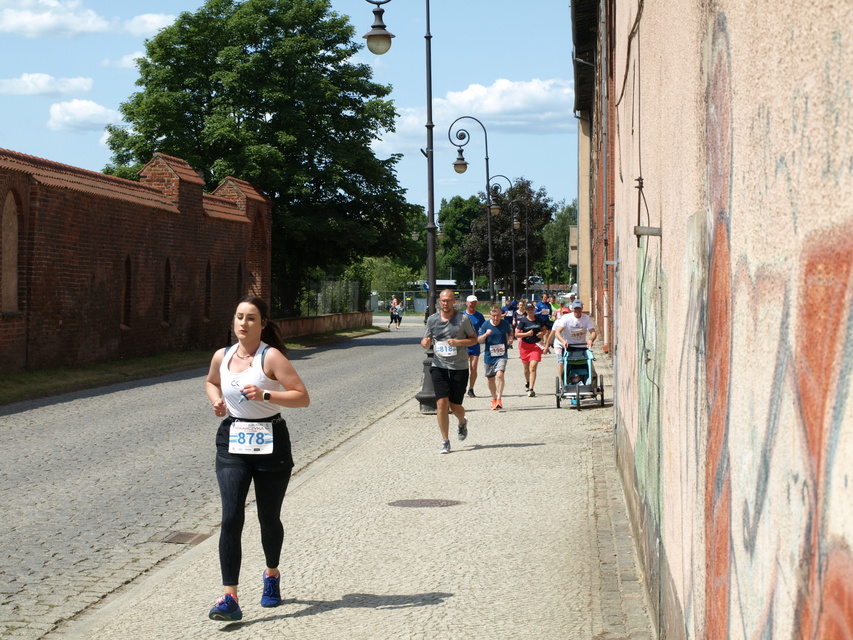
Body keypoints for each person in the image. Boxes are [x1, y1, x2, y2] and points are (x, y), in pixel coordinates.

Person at [205, 296, 310, 622]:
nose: (243, 323)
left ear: (262, 323)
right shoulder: (222, 356)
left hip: (270, 442)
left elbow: (302, 397)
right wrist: (218, 400)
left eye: (251, 318)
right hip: (233, 441)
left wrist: (266, 394)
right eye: (239, 317)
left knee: (268, 517)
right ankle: (229, 597)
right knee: (231, 517)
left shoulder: (271, 357)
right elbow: (210, 382)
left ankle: (271, 574)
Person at [421, 289, 478, 453]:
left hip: (459, 367)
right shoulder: (432, 320)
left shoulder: (463, 319)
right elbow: (425, 341)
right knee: (441, 403)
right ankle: (445, 441)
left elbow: (474, 340)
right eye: (443, 301)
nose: (446, 303)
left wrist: (459, 342)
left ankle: (462, 421)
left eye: (449, 300)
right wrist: (425, 343)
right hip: (439, 366)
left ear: (454, 302)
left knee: (455, 406)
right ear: (439, 301)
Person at [477, 304, 514, 410]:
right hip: (489, 356)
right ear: (490, 315)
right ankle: (493, 399)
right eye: (493, 315)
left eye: (498, 315)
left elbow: (510, 333)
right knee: (490, 379)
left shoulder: (505, 324)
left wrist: (510, 339)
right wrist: (485, 335)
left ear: (501, 314)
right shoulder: (485, 325)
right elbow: (479, 340)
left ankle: (499, 398)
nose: (496, 318)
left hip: (502, 354)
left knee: (500, 374)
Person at [553, 299, 597, 380]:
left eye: (579, 308)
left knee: (592, 371)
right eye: (575, 308)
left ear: (582, 308)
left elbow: (593, 332)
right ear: (572, 308)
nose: (577, 310)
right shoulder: (566, 318)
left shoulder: (586, 318)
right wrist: (563, 341)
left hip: (582, 346)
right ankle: (564, 381)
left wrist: (591, 340)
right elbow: (557, 332)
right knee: (565, 364)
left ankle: (591, 383)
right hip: (569, 347)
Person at [515, 302, 546, 397]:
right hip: (525, 346)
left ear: (534, 309)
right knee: (526, 369)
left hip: (536, 345)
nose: (530, 311)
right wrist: (527, 334)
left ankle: (531, 389)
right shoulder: (523, 321)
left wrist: (542, 333)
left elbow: (544, 330)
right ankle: (527, 381)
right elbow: (516, 334)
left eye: (531, 309)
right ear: (526, 311)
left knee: (533, 367)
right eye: (528, 309)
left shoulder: (539, 320)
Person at [463, 294, 486, 397]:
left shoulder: (479, 316)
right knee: (462, 367)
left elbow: (484, 328)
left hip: (475, 345)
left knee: (473, 367)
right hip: (463, 344)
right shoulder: (461, 315)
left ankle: (471, 388)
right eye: (471, 302)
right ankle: (461, 387)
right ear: (466, 303)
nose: (473, 304)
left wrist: (482, 336)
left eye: (475, 303)